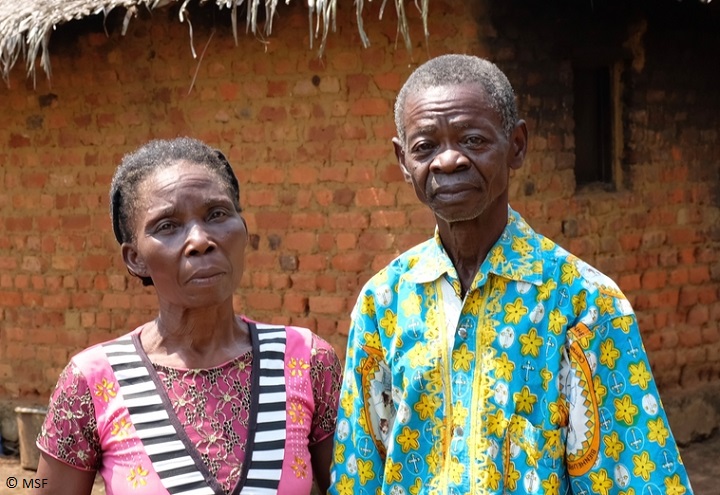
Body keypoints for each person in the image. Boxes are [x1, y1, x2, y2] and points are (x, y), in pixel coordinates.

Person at [329, 54, 694, 495]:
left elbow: (633, 480)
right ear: (403, 160)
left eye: (473, 140)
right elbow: (358, 476)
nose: (448, 161)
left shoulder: (584, 303)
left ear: (516, 145)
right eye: (425, 146)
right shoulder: (382, 303)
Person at [35, 137, 342, 495]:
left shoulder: (306, 361)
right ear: (135, 258)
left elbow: (351, 485)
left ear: (243, 230)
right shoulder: (92, 382)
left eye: (217, 214)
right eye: (167, 225)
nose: (200, 240)